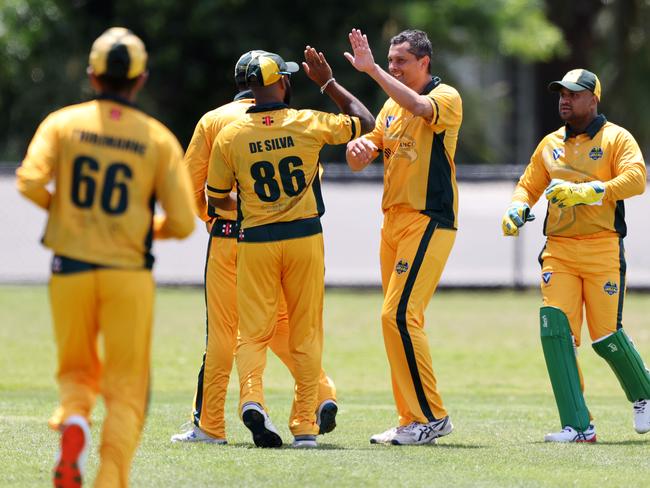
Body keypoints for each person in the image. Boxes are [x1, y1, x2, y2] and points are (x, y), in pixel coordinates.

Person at [16, 27, 195, 487]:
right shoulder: (157, 139)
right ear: (141, 79)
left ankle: (74, 420)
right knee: (126, 386)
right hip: (127, 275)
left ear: (93, 75)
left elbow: (31, 182)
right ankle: (110, 478)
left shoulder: (62, 122)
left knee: (76, 372)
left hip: (69, 269)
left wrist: (70, 212)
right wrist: (140, 226)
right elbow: (182, 223)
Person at [207, 48, 374, 448]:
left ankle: (252, 400)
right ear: (283, 83)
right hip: (304, 238)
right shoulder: (308, 122)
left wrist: (250, 207)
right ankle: (304, 425)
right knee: (306, 332)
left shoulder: (230, 135)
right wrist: (329, 83)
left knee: (254, 333)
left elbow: (216, 200)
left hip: (256, 242)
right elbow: (366, 122)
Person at [171, 51, 338, 445]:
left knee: (226, 336)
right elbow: (311, 181)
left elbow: (191, 186)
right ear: (277, 83)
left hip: (233, 238)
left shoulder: (214, 122)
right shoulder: (294, 121)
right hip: (290, 238)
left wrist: (214, 220)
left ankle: (211, 424)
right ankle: (322, 394)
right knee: (286, 328)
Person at [502, 68, 650, 442]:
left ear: (593, 98)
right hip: (559, 251)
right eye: (561, 94)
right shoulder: (550, 143)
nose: (564, 99)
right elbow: (528, 184)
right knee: (557, 333)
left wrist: (590, 191)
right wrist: (516, 208)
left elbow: (636, 179)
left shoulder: (616, 138)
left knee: (605, 337)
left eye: (573, 93)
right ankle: (579, 426)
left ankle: (645, 396)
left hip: (602, 248)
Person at [344, 28, 461, 446]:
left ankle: (431, 416)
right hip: (392, 223)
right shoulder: (390, 106)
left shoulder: (445, 96)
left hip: (428, 219)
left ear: (424, 62)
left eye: (400, 61)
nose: (393, 66)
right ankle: (411, 417)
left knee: (397, 316)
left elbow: (418, 105)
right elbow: (367, 151)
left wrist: (372, 69)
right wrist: (358, 150)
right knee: (398, 322)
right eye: (390, 60)